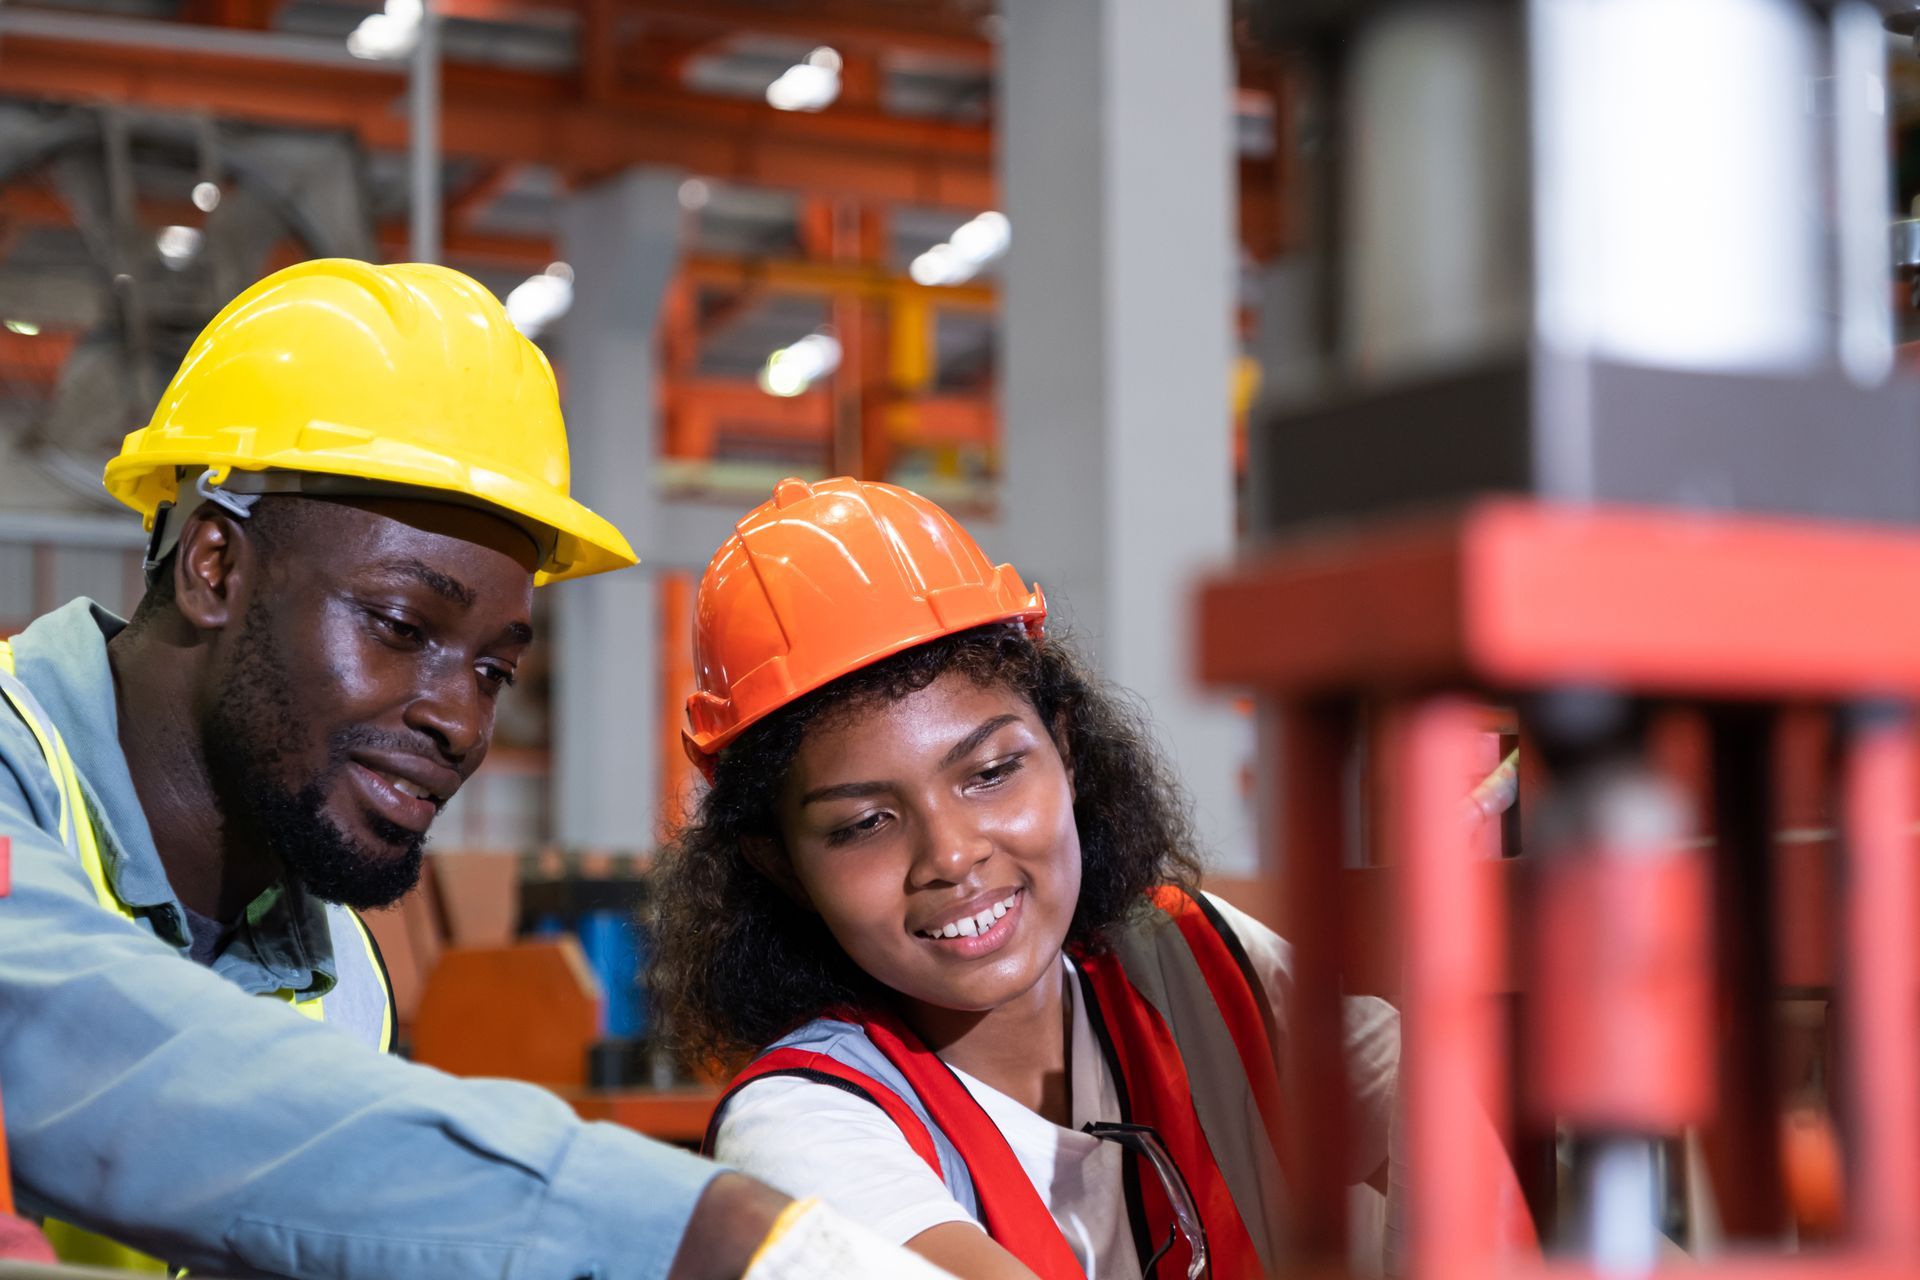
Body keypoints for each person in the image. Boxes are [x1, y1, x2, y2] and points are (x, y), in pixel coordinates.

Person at [0, 260, 956, 1280]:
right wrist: (704, 1230)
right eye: (402, 623)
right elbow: (83, 1041)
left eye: (496, 666)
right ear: (215, 567)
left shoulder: (337, 977)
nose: (459, 717)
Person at [650, 476, 1404, 1280]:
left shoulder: (1195, 961)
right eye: (865, 823)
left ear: (1066, 751)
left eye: (992, 772)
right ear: (782, 866)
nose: (950, 855)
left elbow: (1451, 1114)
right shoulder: (799, 1127)